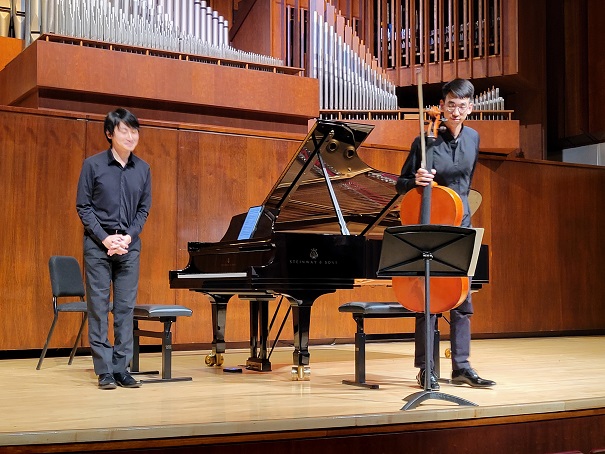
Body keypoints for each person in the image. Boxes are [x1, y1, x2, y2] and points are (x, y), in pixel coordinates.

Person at [396, 78, 495, 390]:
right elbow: (400, 184)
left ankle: (462, 367)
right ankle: (427, 368)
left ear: (470, 108)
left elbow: (465, 184)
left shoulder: (474, 139)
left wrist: (458, 208)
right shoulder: (424, 143)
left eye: (462, 105)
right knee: (429, 299)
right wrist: (416, 179)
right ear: (441, 106)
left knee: (463, 300)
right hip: (430, 226)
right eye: (450, 104)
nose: (456, 110)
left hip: (461, 224)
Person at [76, 108, 152, 389]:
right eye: (124, 130)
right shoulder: (92, 165)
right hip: (98, 246)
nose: (131, 136)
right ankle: (104, 370)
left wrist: (128, 238)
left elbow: (144, 210)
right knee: (98, 308)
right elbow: (83, 206)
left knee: (124, 309)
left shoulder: (143, 169)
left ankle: (121, 368)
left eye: (134, 131)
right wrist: (105, 238)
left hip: (129, 248)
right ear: (110, 134)